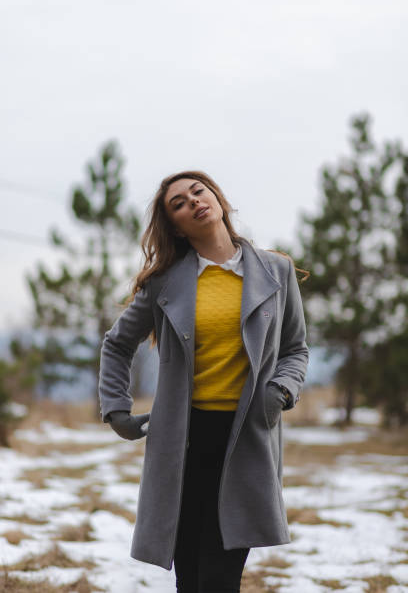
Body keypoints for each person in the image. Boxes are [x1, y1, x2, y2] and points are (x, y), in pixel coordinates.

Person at [98, 170, 309, 593]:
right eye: (179, 203)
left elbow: (296, 349)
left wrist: (281, 390)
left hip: (246, 436)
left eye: (199, 191)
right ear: (174, 226)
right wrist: (116, 408)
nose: (194, 201)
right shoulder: (165, 282)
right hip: (183, 440)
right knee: (191, 576)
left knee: (219, 577)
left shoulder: (276, 271)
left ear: (217, 197)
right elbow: (117, 344)